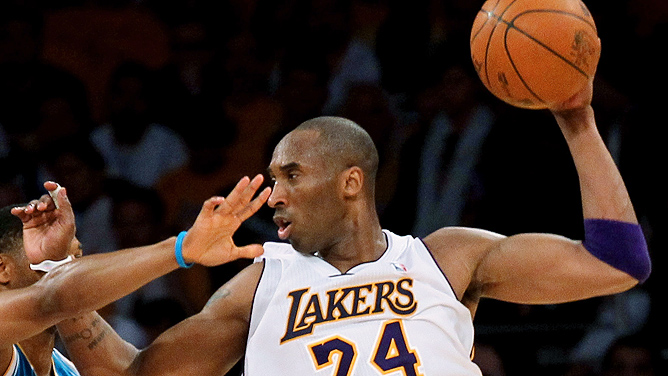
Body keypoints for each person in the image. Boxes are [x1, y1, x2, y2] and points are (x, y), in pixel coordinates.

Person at [0, 176, 271, 376]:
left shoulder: (65, 369)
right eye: (43, 258)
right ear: (2, 268)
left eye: (75, 259)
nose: (72, 269)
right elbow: (54, 297)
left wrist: (56, 264)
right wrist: (182, 248)